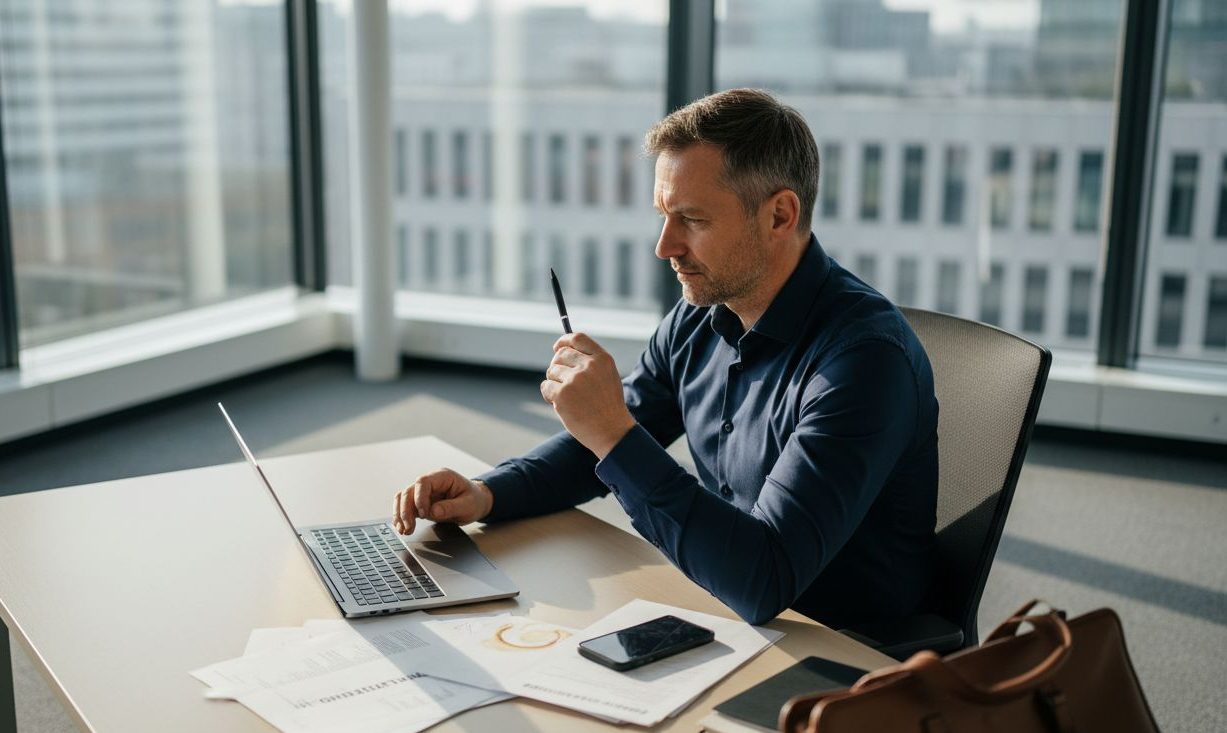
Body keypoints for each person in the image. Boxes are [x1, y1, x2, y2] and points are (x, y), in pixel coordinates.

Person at [393, 88, 938, 629]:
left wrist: (612, 433)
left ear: (779, 216)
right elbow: (601, 443)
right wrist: (488, 493)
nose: (665, 246)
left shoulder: (863, 363)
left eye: (692, 220)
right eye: (663, 215)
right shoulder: (699, 316)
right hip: (728, 608)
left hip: (844, 655)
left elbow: (765, 578)